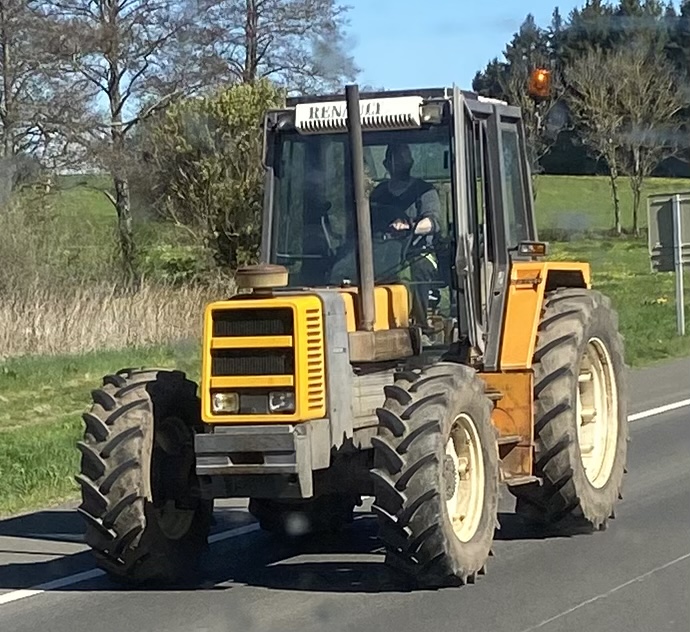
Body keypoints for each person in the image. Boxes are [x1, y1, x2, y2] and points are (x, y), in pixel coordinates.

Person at [369, 142, 442, 328]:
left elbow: (433, 222)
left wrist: (409, 227)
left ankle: (420, 323)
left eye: (404, 158)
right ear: (386, 164)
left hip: (418, 251)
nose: (401, 163)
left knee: (420, 270)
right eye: (396, 159)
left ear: (411, 161)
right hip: (382, 251)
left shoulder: (425, 191)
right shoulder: (379, 193)